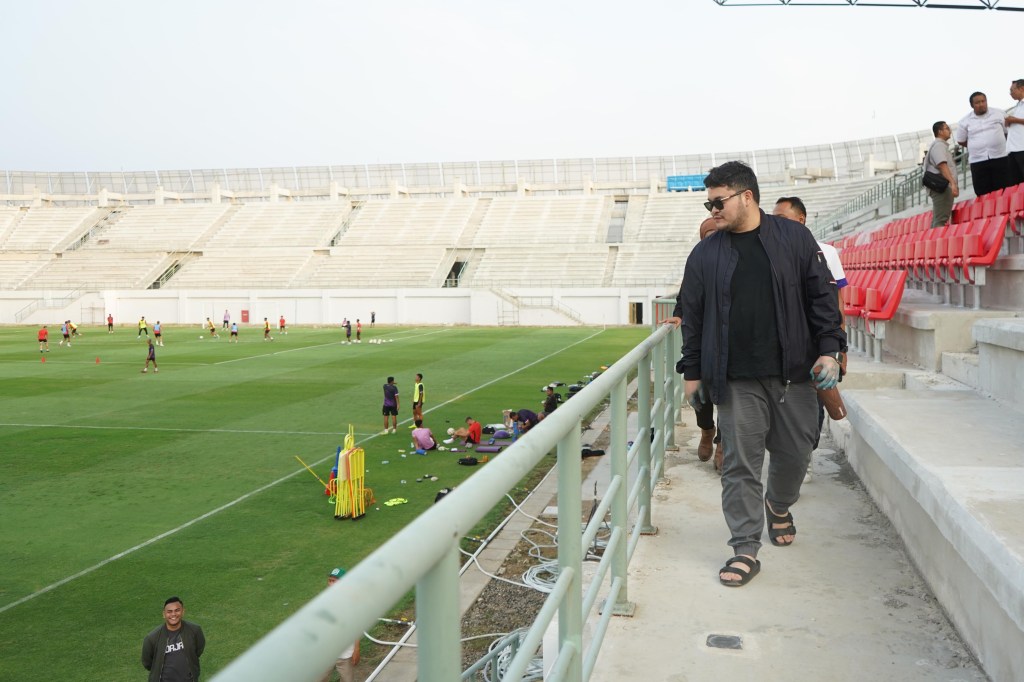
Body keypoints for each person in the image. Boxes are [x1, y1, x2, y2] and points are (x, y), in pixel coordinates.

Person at [678, 161, 846, 588]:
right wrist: (692, 372)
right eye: (709, 204)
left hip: (795, 374)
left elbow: (822, 298)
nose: (713, 210)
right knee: (740, 464)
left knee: (797, 454)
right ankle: (744, 547)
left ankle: (779, 503)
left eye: (719, 202)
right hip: (735, 378)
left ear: (746, 196)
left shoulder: (794, 238)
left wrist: (830, 351)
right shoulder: (704, 254)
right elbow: (692, 317)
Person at [773, 196, 850, 482]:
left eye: (781, 217)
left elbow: (837, 302)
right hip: (782, 343)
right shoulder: (770, 250)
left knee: (813, 402)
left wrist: (840, 347)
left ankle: (806, 455)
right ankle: (790, 456)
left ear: (801, 219)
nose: (775, 222)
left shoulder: (826, 252)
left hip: (815, 343)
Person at [666, 217, 723, 470]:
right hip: (700, 338)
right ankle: (707, 429)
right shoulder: (697, 261)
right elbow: (686, 295)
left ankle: (723, 442)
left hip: (729, 338)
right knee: (698, 393)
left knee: (732, 393)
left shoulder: (736, 259)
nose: (713, 239)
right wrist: (679, 314)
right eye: (708, 235)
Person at [956, 91, 1010, 197]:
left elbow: (1007, 131)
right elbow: (961, 140)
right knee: (983, 193)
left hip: (1000, 157)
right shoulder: (964, 121)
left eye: (983, 101)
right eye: (977, 102)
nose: (981, 104)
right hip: (978, 161)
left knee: (1005, 189)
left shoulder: (999, 114)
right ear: (972, 105)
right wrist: (977, 146)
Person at [141, 596, 205, 682]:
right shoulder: (151, 638)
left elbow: (198, 650)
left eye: (177, 610)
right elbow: (147, 663)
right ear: (164, 614)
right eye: (169, 611)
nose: (173, 614)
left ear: (183, 611)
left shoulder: (195, 630)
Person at [317, 568, 360, 682]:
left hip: (345, 653)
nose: (331, 584)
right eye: (330, 580)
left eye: (334, 581)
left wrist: (356, 648)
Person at [923, 121, 960, 227]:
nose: (950, 131)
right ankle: (936, 238)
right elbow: (942, 165)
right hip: (943, 188)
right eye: (947, 128)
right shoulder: (939, 146)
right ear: (940, 132)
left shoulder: (939, 145)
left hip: (941, 187)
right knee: (941, 221)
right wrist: (953, 184)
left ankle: (934, 238)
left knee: (938, 220)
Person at [1006, 79, 1024, 186]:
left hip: (1022, 148)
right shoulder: (1018, 106)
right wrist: (1009, 122)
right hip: (1013, 149)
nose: (1010, 93)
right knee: (1017, 183)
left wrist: (1014, 120)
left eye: (1012, 90)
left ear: (1022, 88)